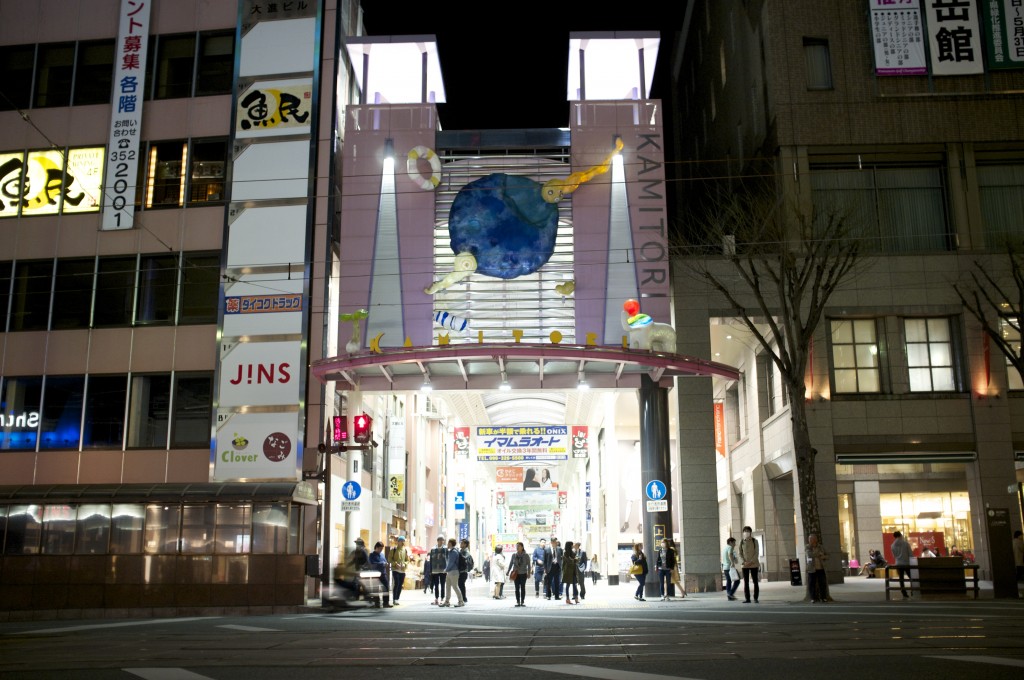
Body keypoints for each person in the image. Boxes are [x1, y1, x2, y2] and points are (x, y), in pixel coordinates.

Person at [439, 538, 465, 607]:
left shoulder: (454, 552)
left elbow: (451, 563)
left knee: (455, 587)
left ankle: (461, 601)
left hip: (454, 572)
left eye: (448, 543)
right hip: (450, 572)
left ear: (450, 543)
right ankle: (447, 601)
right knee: (448, 586)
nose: (447, 544)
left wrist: (446, 569)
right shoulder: (452, 551)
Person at [738, 525, 759, 604]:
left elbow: (756, 552)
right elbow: (740, 553)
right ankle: (747, 598)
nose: (746, 532)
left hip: (754, 564)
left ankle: (756, 598)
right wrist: (744, 562)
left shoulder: (754, 541)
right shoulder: (741, 541)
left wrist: (751, 562)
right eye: (745, 531)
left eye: (748, 531)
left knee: (755, 581)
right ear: (743, 532)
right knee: (746, 582)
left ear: (750, 532)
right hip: (745, 565)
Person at [805, 533, 829, 603]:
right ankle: (812, 598)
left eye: (811, 539)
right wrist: (819, 554)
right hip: (811, 568)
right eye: (809, 539)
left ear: (815, 539)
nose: (810, 540)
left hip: (821, 568)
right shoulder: (807, 547)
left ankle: (823, 597)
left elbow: (828, 555)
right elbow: (809, 554)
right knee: (811, 583)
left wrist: (823, 556)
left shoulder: (821, 547)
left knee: (822, 583)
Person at [367, 541, 391, 607]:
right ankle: (377, 603)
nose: (381, 550)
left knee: (386, 588)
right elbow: (372, 564)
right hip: (375, 574)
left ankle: (386, 603)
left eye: (382, 549)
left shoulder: (382, 555)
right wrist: (382, 564)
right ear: (376, 547)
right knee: (376, 589)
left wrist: (386, 564)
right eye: (380, 548)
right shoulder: (371, 555)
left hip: (383, 573)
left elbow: (385, 561)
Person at [508, 541, 531, 606]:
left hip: (523, 573)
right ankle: (518, 601)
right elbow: (511, 564)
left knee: (523, 588)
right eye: (516, 546)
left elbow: (529, 565)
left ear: (522, 547)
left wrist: (529, 573)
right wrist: (508, 571)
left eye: (519, 546)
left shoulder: (526, 555)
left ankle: (522, 601)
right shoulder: (514, 555)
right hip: (516, 574)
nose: (517, 547)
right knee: (517, 588)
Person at [389, 536, 410, 606]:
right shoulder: (394, 549)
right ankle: (394, 598)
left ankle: (397, 598)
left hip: (402, 570)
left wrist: (404, 564)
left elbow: (407, 560)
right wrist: (395, 564)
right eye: (401, 541)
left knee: (400, 585)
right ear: (398, 542)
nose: (402, 542)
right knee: (397, 583)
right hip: (395, 569)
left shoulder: (405, 550)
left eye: (403, 541)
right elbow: (389, 559)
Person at [891, 530, 912, 599]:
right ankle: (913, 590)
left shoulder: (892, 545)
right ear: (900, 535)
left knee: (901, 578)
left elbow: (894, 556)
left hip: (898, 563)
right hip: (906, 563)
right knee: (911, 577)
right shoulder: (905, 544)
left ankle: (904, 592)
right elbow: (910, 554)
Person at [428, 536, 447, 605]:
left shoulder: (445, 549)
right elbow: (431, 560)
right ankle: (436, 598)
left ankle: (442, 598)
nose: (441, 541)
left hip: (443, 569)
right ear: (438, 541)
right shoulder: (433, 549)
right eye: (440, 540)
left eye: (442, 540)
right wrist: (430, 570)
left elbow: (447, 559)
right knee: (436, 585)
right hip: (435, 570)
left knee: (442, 585)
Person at [561, 540, 579, 604]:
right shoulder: (565, 553)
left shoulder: (573, 552)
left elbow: (576, 560)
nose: (572, 546)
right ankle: (567, 599)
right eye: (571, 545)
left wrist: (574, 560)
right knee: (568, 585)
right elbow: (569, 561)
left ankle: (576, 598)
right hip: (568, 572)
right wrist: (574, 560)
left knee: (575, 585)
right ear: (569, 545)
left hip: (573, 571)